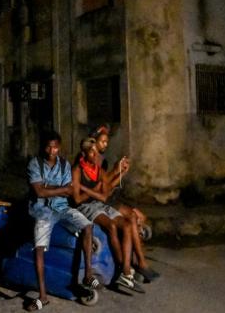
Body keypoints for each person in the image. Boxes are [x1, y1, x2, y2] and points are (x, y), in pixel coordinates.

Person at [25, 131, 99, 311]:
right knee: (40, 249)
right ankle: (43, 296)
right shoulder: (34, 163)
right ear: (44, 146)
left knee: (88, 225)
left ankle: (88, 275)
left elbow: (68, 191)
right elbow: (39, 193)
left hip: (62, 208)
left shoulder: (65, 164)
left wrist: (48, 187)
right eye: (49, 146)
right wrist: (57, 188)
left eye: (55, 146)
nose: (52, 150)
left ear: (59, 147)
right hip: (42, 210)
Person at [71, 138, 143, 293]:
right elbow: (77, 199)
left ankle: (126, 272)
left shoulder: (98, 170)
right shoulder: (77, 170)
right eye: (92, 152)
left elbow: (105, 194)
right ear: (84, 153)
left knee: (127, 224)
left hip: (98, 203)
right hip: (85, 206)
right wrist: (93, 190)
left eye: (96, 152)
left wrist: (121, 173)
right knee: (110, 225)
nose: (95, 155)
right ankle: (122, 268)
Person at [89, 125, 160, 281]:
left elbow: (108, 187)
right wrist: (117, 172)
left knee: (139, 217)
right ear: (93, 142)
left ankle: (138, 262)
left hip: (108, 199)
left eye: (106, 142)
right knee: (133, 218)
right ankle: (139, 263)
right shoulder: (90, 161)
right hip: (101, 203)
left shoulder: (102, 161)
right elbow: (103, 192)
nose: (105, 145)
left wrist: (121, 173)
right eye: (103, 142)